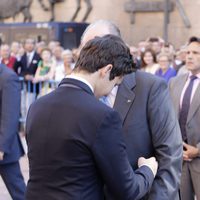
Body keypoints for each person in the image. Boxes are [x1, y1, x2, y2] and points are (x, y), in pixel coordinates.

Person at [25, 35, 158, 200]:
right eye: (115, 83)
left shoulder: (37, 106)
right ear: (107, 70)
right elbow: (127, 190)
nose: (110, 90)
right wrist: (147, 170)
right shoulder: (103, 115)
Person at [80, 20, 183, 200]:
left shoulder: (150, 87)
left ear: (117, 47)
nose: (91, 54)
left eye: (97, 45)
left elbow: (170, 154)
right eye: (86, 48)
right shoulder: (79, 93)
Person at [169, 36, 200, 200]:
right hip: (177, 160)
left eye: (195, 53)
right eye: (187, 52)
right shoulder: (174, 82)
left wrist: (198, 150)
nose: (189, 56)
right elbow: (166, 119)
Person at [0, 64, 26, 199]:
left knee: (18, 191)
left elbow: (10, 115)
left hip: (4, 149)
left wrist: (2, 147)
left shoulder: (8, 77)